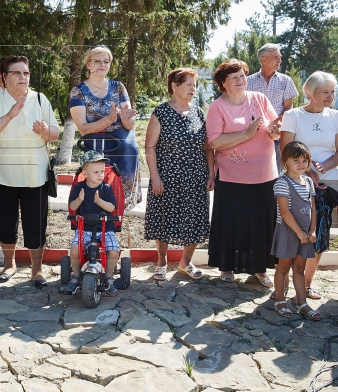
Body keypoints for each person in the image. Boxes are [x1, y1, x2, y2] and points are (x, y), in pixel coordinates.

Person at [0, 55, 60, 288]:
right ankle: (9, 264)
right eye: (16, 72)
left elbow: (54, 133)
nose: (23, 77)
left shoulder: (41, 100)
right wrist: (9, 115)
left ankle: (37, 270)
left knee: (36, 223)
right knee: (5, 222)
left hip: (35, 175)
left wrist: (46, 130)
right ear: (4, 77)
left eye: (26, 73)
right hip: (2, 174)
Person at [206, 58, 282, 286]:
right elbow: (214, 142)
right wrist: (246, 135)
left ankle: (260, 269)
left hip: (265, 176)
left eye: (242, 75)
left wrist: (275, 130)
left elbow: (273, 130)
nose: (240, 80)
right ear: (223, 83)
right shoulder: (217, 107)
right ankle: (227, 267)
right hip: (232, 178)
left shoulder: (260, 99)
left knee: (262, 224)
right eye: (234, 77)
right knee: (231, 223)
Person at [279, 71, 338, 300]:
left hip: (327, 181)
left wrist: (322, 168)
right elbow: (286, 149)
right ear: (310, 93)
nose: (330, 96)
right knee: (293, 230)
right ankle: (286, 283)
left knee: (318, 233)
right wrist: (308, 171)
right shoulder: (293, 115)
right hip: (296, 180)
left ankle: (307, 284)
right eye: (325, 92)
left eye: (332, 91)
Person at [143, 68, 214, 281]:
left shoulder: (199, 112)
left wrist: (211, 174)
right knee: (164, 220)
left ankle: (185, 263)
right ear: (174, 86)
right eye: (189, 84)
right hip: (167, 177)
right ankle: (162, 262)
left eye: (195, 84)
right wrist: (155, 177)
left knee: (194, 221)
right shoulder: (161, 112)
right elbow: (149, 147)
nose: (193, 88)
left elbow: (207, 147)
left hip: (195, 177)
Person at [69, 46, 141, 210]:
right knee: (96, 198)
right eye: (97, 61)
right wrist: (108, 120)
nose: (102, 64)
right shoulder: (78, 91)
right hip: (97, 146)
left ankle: (117, 217)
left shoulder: (118, 87)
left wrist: (127, 118)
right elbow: (83, 129)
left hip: (124, 146)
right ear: (88, 64)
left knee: (119, 205)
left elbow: (129, 125)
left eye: (106, 61)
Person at [271, 141, 318, 320]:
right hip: (288, 233)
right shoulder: (282, 183)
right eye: (296, 160)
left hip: (305, 234)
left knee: (299, 268)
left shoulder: (308, 182)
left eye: (304, 160)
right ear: (285, 162)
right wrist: (298, 232)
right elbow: (285, 212)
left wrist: (312, 230)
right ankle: (280, 301)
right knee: (283, 267)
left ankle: (302, 303)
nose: (301, 164)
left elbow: (313, 208)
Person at [67, 151, 120, 293]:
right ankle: (76, 275)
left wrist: (99, 201)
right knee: (74, 249)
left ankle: (108, 276)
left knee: (114, 250)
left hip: (105, 228)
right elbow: (72, 207)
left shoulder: (106, 188)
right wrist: (80, 199)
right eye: (96, 172)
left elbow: (112, 207)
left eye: (102, 171)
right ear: (85, 173)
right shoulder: (79, 188)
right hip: (84, 228)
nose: (101, 175)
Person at [246, 43, 299, 173]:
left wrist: (276, 125)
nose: (280, 60)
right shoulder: (248, 82)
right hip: (254, 135)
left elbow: (288, 108)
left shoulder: (285, 81)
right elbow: (244, 107)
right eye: (276, 57)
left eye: (280, 57)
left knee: (275, 172)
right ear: (263, 60)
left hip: (277, 134)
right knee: (253, 171)